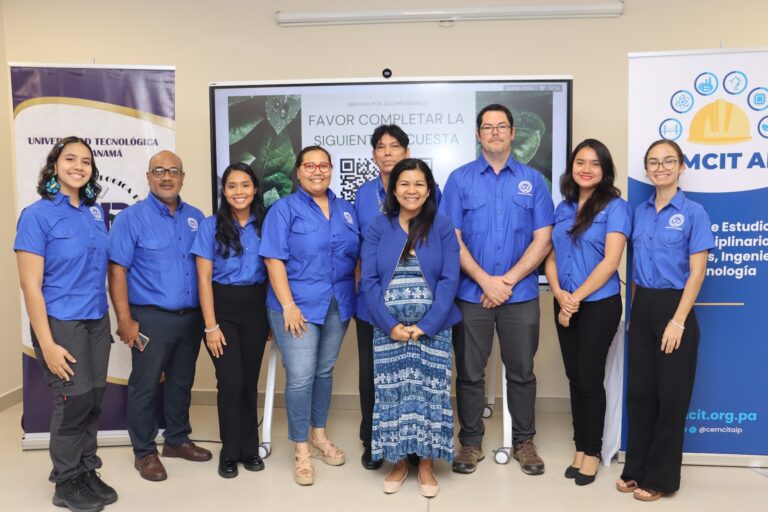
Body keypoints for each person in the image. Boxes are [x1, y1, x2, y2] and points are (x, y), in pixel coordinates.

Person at [439, 103, 554, 475]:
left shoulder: (534, 181)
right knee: (470, 372)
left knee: (521, 371)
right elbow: (451, 237)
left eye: (501, 126)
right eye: (487, 127)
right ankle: (470, 442)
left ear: (513, 133)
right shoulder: (459, 180)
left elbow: (543, 239)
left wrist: (505, 281)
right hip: (472, 295)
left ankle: (524, 441)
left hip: (519, 296)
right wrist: (485, 280)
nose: (494, 132)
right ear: (477, 135)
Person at [15, 137, 117, 512]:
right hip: (60, 322)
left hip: (96, 319)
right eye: (70, 159)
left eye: (86, 161)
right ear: (54, 165)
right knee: (71, 400)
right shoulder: (36, 215)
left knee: (92, 399)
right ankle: (66, 480)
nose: (79, 166)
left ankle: (87, 470)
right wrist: (47, 342)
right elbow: (30, 285)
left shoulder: (94, 213)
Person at [618, 139, 713, 502]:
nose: (660, 167)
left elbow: (697, 273)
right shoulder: (639, 212)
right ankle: (636, 468)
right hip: (643, 310)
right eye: (653, 162)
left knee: (670, 397)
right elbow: (638, 271)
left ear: (681, 166)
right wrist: (633, 314)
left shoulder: (694, 213)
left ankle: (660, 477)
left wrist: (678, 321)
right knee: (641, 394)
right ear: (646, 169)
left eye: (668, 161)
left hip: (676, 309)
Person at [259, 145, 360, 486]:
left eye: (323, 165)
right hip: (296, 306)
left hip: (338, 303)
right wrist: (287, 305)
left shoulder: (346, 209)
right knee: (301, 376)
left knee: (324, 371)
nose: (317, 171)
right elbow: (273, 259)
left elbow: (356, 257)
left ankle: (319, 435)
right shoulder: (283, 210)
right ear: (298, 171)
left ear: (331, 169)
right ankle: (301, 449)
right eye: (309, 165)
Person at [108, 150, 211, 482]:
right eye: (159, 171)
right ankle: (145, 451)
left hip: (190, 318)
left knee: (181, 381)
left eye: (174, 171)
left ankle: (177, 440)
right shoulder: (130, 219)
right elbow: (117, 271)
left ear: (183, 176)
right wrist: (124, 320)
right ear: (149, 176)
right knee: (145, 384)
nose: (167, 177)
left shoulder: (197, 217)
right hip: (150, 318)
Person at [361, 158, 460, 498]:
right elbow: (369, 280)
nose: (411, 190)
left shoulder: (443, 225)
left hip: (434, 328)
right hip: (387, 330)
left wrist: (427, 325)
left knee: (429, 394)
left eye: (419, 184)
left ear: (429, 189)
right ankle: (399, 462)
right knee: (394, 395)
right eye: (404, 184)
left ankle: (428, 463)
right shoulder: (378, 225)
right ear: (393, 189)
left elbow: (449, 279)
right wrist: (389, 325)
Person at [543, 139, 631, 486]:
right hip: (564, 300)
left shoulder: (616, 207)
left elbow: (611, 262)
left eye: (595, 163)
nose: (586, 169)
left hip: (598, 305)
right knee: (574, 378)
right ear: (572, 167)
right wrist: (561, 295)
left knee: (590, 379)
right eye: (580, 162)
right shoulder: (563, 207)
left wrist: (574, 298)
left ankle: (592, 452)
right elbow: (550, 255)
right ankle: (579, 447)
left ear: (605, 170)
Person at [190, 163, 269, 479]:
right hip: (220, 307)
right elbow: (204, 279)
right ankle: (229, 451)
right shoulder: (210, 226)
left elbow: (275, 271)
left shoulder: (266, 224)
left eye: (245, 185)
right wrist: (210, 325)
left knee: (249, 381)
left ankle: (250, 449)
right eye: (232, 185)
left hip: (256, 307)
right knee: (231, 381)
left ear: (255, 190)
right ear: (224, 191)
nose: (239, 192)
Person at [353, 124, 411, 470]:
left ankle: (410, 441)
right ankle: (372, 439)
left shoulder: (426, 187)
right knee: (371, 372)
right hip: (371, 298)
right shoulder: (361, 194)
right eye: (380, 147)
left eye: (394, 146)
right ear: (373, 154)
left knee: (410, 371)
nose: (387, 152)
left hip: (413, 297)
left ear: (406, 151)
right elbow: (358, 249)